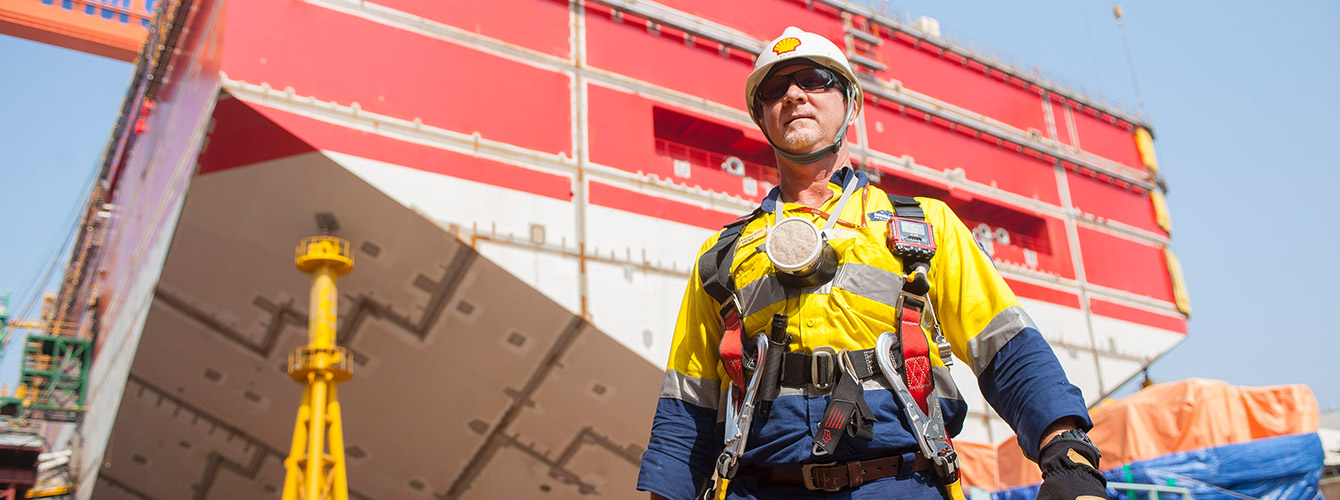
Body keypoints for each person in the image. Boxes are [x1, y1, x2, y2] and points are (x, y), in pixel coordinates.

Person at [636, 26, 1108, 500]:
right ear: (762, 119)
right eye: (775, 90)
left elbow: (1006, 348)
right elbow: (688, 404)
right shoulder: (723, 255)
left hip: (901, 483)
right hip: (759, 488)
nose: (793, 94)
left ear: (851, 104)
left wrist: (1067, 453)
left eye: (814, 78)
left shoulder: (926, 228)